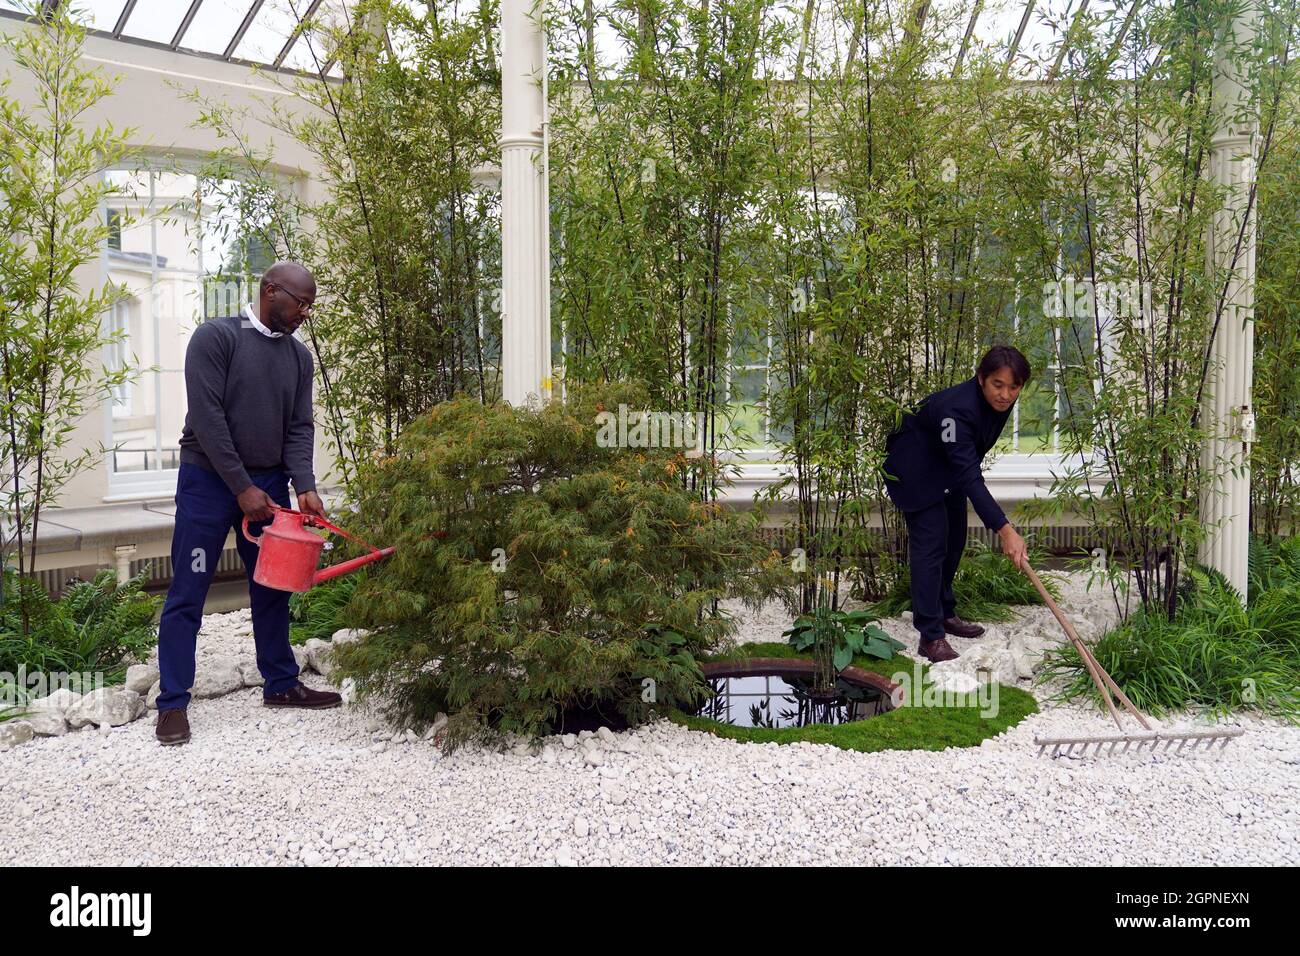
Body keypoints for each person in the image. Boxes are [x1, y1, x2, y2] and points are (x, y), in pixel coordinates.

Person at [154, 262, 339, 746]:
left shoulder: (299, 359)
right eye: (300, 302)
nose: (304, 313)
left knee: (272, 588)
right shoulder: (216, 337)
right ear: (270, 291)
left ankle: (280, 683)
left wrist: (304, 484)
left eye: (309, 306)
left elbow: (299, 427)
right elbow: (208, 419)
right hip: (208, 483)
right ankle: (172, 703)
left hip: (269, 486)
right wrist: (240, 488)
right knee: (188, 591)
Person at [882, 346, 1032, 664]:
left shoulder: (997, 403)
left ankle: (944, 612)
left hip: (945, 467)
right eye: (998, 384)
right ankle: (930, 635)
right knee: (932, 544)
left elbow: (966, 461)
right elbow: (969, 474)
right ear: (981, 379)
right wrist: (1005, 530)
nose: (1005, 395)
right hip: (914, 469)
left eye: (1014, 387)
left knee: (954, 541)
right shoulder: (956, 410)